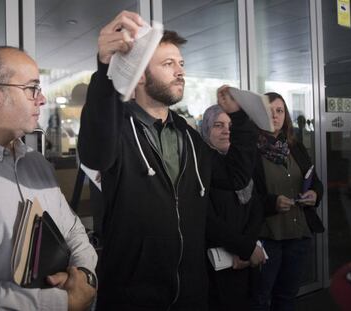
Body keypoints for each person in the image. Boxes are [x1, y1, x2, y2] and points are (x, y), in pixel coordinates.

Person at [78, 11, 264, 310]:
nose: (180, 72)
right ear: (139, 75)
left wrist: (240, 118)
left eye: (181, 64)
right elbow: (95, 153)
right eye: (168, 64)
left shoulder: (188, 137)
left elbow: (234, 177)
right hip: (132, 296)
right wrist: (104, 70)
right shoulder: (119, 130)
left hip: (191, 294)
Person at [0, 46, 98, 311]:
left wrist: (83, 276)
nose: (41, 99)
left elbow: (73, 231)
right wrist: (62, 302)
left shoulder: (38, 164)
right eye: (32, 88)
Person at [251, 92, 324, 311]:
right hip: (268, 237)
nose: (274, 115)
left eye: (279, 111)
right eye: (268, 111)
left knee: (287, 297)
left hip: (298, 234)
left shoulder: (295, 147)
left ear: (286, 116)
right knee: (260, 298)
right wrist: (271, 203)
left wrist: (314, 195)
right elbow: (244, 198)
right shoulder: (250, 151)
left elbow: (315, 181)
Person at [201, 104, 264, 311]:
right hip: (216, 266)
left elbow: (256, 208)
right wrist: (243, 248)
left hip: (247, 260)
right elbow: (208, 221)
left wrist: (249, 247)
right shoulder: (201, 167)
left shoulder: (243, 166)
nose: (226, 130)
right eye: (218, 125)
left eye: (230, 125)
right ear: (206, 129)